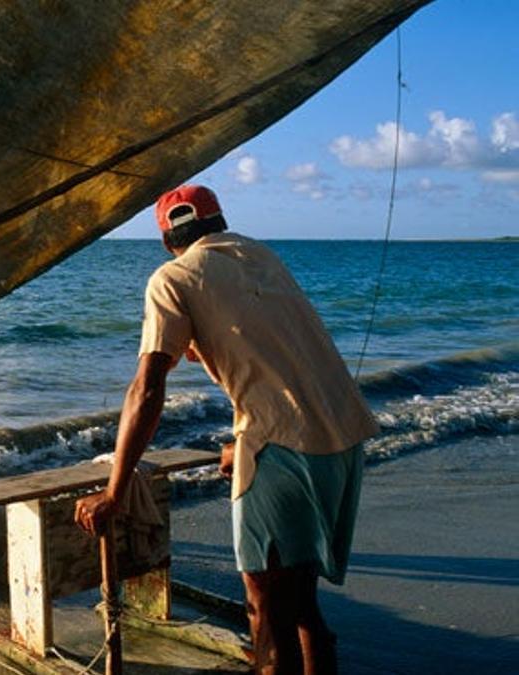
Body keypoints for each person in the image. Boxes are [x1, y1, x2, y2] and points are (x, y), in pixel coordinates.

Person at [74, 185, 379, 674]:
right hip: (340, 435)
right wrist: (244, 441)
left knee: (267, 608)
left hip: (283, 445)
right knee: (300, 602)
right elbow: (275, 356)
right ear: (219, 223)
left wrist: (114, 490)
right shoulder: (261, 257)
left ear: (167, 239)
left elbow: (147, 390)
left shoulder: (172, 278)